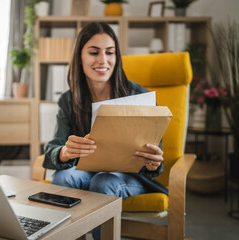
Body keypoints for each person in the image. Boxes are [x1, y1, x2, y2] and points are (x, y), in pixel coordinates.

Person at [43, 22, 168, 240]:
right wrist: (65, 152)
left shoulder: (139, 95)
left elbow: (156, 159)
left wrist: (154, 161)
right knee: (63, 178)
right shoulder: (68, 99)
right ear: (80, 57)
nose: (103, 60)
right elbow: (52, 149)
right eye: (93, 52)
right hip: (86, 171)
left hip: (129, 177)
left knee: (104, 181)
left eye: (110, 53)